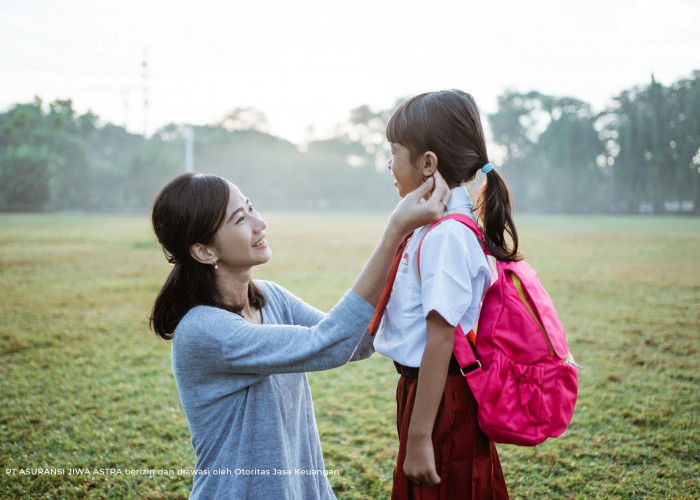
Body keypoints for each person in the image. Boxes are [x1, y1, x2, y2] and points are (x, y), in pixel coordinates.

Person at [149, 170, 450, 499]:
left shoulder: (270, 296)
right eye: (239, 219)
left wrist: (412, 249)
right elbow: (328, 344)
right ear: (205, 251)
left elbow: (358, 343)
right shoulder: (203, 330)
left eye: (251, 207)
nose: (259, 223)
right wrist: (393, 234)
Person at [372, 89, 515, 499]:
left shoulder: (447, 235)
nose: (388, 163)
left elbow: (441, 338)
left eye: (394, 152)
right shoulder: (436, 226)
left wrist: (418, 439)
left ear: (428, 163)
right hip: (429, 392)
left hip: (442, 398)